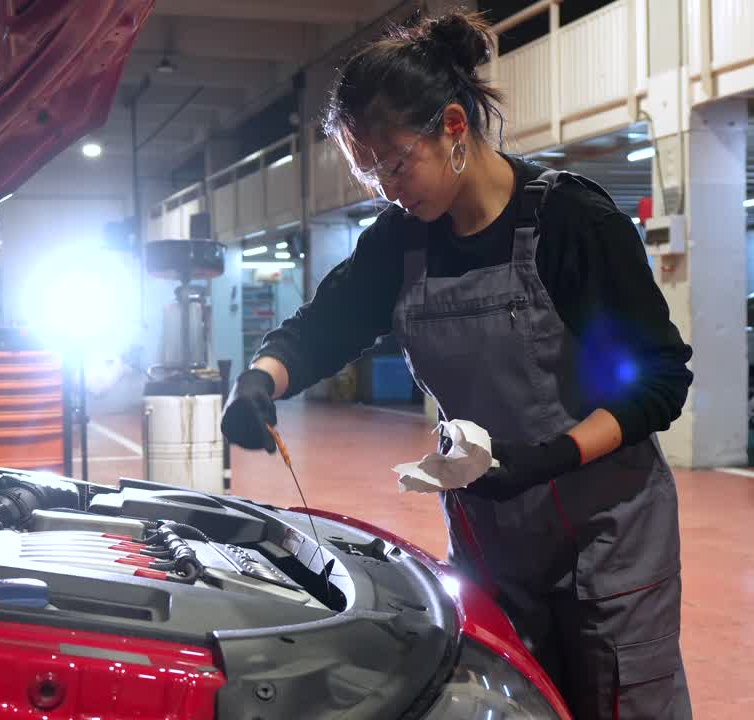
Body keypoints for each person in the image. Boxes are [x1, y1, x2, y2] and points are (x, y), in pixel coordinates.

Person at [220, 11, 693, 719]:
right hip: (492, 531)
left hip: (608, 532)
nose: (388, 189)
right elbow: (324, 326)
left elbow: (659, 381)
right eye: (370, 173)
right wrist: (262, 379)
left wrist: (549, 457)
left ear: (452, 126)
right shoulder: (401, 242)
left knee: (622, 703)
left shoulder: (572, 223)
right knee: (511, 705)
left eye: (395, 163)